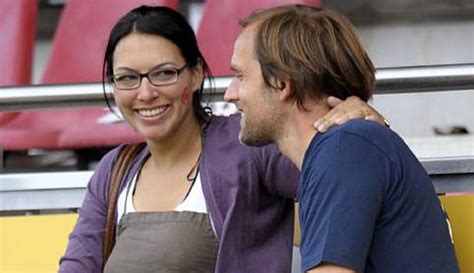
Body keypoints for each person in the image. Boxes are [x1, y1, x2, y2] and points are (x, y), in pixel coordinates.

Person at [59, 5, 387, 273]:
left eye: (164, 74)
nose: (146, 93)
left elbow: (351, 180)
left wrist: (357, 122)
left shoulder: (248, 143)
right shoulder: (114, 170)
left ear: (198, 72)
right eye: (127, 78)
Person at [224, 4, 459, 273]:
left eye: (240, 76)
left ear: (282, 83)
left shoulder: (344, 148)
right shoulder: (348, 145)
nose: (229, 94)